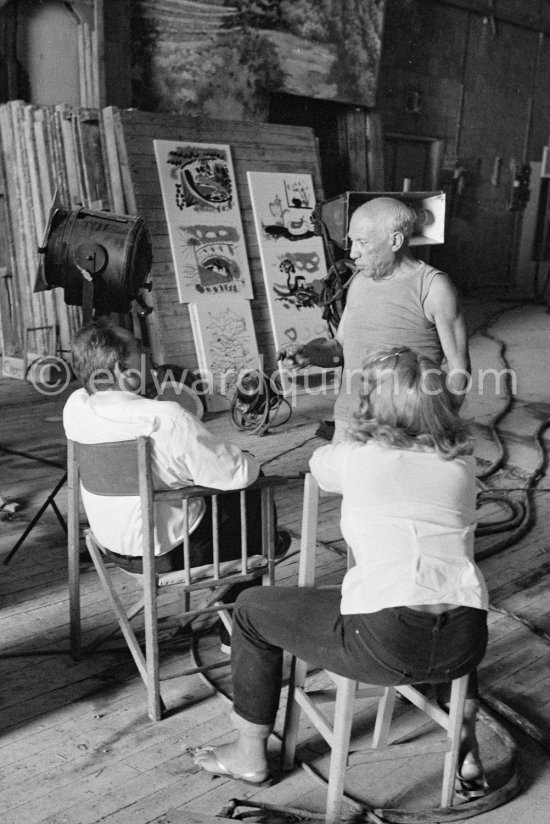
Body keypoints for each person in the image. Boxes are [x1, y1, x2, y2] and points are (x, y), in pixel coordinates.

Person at [194, 346, 489, 799]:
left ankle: (249, 752)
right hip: (466, 639)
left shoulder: (357, 457)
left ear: (373, 403)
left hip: (386, 639)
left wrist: (352, 422)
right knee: (441, 599)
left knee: (251, 609)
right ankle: (465, 746)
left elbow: (319, 465)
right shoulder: (463, 462)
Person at [63, 319, 289, 648]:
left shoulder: (75, 407)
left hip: (113, 550)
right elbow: (239, 474)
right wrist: (242, 457)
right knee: (253, 489)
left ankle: (247, 583)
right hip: (170, 556)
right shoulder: (166, 417)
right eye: (143, 354)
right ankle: (237, 633)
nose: (153, 362)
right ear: (121, 369)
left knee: (211, 490)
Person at [279, 196, 471, 442]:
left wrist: (440, 420)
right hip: (348, 423)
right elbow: (339, 348)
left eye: (362, 242)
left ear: (395, 241)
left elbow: (459, 367)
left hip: (404, 433)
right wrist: (309, 354)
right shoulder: (359, 282)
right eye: (351, 242)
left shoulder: (433, 287)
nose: (353, 252)